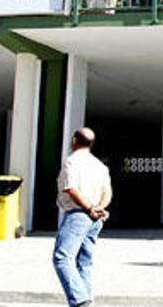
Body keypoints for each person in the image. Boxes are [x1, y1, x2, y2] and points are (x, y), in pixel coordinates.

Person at [53, 127, 112, 307]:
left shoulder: (72, 162)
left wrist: (89, 208)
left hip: (78, 214)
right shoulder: (99, 165)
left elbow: (71, 188)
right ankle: (86, 300)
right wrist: (100, 208)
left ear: (73, 141)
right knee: (84, 262)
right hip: (95, 219)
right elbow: (107, 192)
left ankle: (80, 300)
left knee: (62, 257)